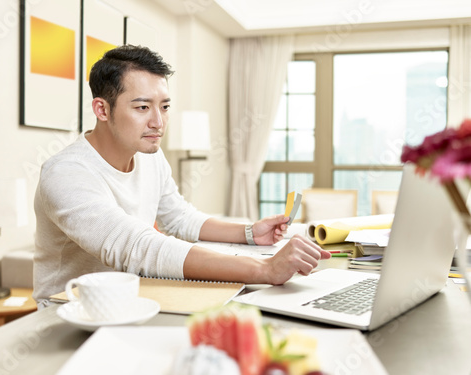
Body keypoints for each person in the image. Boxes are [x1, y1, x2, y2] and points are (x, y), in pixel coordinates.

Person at [32, 45, 330, 307]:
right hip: (67, 312)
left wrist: (250, 232)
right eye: (142, 107)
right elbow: (136, 248)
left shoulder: (149, 155)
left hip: (132, 299)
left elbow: (178, 218)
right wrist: (263, 269)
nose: (158, 122)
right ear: (102, 110)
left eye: (164, 107)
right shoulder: (66, 173)